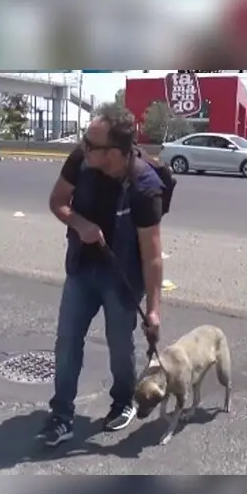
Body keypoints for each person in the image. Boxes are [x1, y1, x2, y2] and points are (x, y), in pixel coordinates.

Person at [39, 107, 165, 446]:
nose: (83, 146)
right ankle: (61, 415)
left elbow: (152, 256)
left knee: (120, 346)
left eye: (91, 143)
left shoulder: (144, 186)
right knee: (67, 341)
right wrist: (81, 225)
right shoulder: (80, 159)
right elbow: (57, 201)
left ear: (115, 153)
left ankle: (123, 401)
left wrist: (153, 310)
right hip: (82, 267)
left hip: (122, 277)